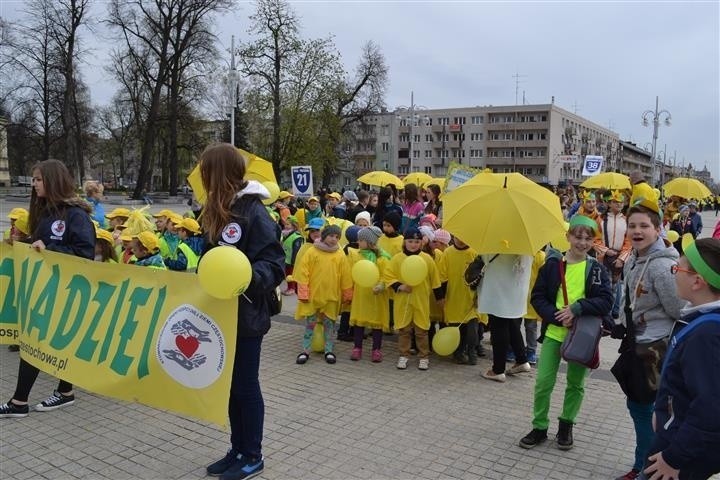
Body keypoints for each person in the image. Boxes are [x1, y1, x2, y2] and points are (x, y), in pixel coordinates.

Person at [199, 144, 285, 480]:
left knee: (246, 386)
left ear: (217, 171)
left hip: (246, 317)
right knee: (231, 387)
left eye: (206, 169)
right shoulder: (216, 210)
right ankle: (236, 448)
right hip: (219, 314)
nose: (203, 175)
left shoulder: (253, 211)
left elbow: (275, 265)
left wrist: (245, 277)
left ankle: (253, 455)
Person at [0, 159, 95, 418]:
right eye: (33, 179)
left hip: (65, 292)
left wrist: (49, 249)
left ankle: (20, 402)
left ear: (53, 180)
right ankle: (64, 394)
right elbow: (42, 243)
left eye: (39, 179)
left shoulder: (76, 215)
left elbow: (85, 253)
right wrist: (23, 242)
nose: (34, 184)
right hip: (46, 290)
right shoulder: (46, 213)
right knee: (43, 343)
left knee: (35, 342)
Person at [519, 215, 613, 450]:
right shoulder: (552, 265)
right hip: (554, 332)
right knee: (543, 382)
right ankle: (539, 426)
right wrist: (555, 315)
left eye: (587, 238)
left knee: (576, 384)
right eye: (577, 237)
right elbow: (538, 297)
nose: (582, 242)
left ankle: (566, 425)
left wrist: (577, 309)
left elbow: (606, 301)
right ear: (568, 237)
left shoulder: (597, 270)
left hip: (582, 336)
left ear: (593, 241)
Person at [612, 193, 685, 480]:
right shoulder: (635, 257)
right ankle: (643, 464)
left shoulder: (662, 266)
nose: (637, 231)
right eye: (632, 226)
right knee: (639, 408)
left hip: (655, 351)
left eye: (644, 226)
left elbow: (679, 310)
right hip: (637, 344)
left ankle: (646, 468)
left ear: (658, 229)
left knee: (644, 411)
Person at [643, 237, 720, 480]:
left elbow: (709, 406)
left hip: (679, 454)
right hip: (680, 439)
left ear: (697, 281)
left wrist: (673, 457)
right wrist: (660, 410)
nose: (674, 272)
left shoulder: (705, 334)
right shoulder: (703, 321)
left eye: (678, 268)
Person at [294, 224, 353, 365]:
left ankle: (329, 350)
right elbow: (303, 272)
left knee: (329, 325)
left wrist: (347, 294)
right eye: (331, 236)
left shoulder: (339, 254)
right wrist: (303, 292)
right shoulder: (312, 252)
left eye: (337, 237)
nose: (334, 239)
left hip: (331, 297)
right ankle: (305, 350)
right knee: (310, 324)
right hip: (314, 296)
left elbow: (346, 275)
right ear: (324, 236)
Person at [386, 227, 442, 371]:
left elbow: (435, 280)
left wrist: (440, 299)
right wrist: (400, 286)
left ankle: (424, 356)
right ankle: (404, 355)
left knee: (421, 330)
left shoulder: (427, 259)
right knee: (404, 330)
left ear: (421, 243)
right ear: (405, 242)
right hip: (403, 300)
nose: (413, 244)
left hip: (421, 299)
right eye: (410, 241)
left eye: (417, 241)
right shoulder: (397, 258)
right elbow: (388, 276)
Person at [478, 252, 534, 383]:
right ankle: (522, 360)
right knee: (512, 323)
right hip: (517, 290)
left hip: (499, 288)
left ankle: (498, 370)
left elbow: (486, 258)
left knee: (499, 326)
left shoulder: (498, 239)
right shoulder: (525, 244)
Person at [347, 226, 392, 362]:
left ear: (370, 242)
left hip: (376, 295)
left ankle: (376, 349)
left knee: (376, 323)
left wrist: (381, 285)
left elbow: (387, 275)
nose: (358, 242)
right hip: (361, 294)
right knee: (359, 322)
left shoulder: (382, 259)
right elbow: (351, 272)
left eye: (361, 240)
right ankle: (357, 347)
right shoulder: (357, 256)